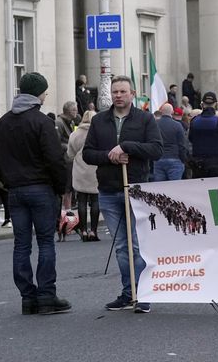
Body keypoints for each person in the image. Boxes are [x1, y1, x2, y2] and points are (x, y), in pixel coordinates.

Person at [0, 72, 71, 315]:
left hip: (15, 190)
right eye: (45, 91)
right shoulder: (42, 122)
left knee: (21, 245)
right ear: (38, 93)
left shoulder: (2, 123)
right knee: (46, 242)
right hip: (41, 188)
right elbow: (55, 160)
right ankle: (46, 295)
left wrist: (8, 182)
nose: (46, 95)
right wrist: (60, 188)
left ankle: (28, 297)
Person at [83, 75, 163, 313]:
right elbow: (88, 154)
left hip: (136, 189)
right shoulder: (99, 121)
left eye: (123, 91)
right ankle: (128, 292)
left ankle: (143, 293)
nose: (118, 95)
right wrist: (110, 155)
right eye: (115, 92)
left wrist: (127, 147)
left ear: (132, 93)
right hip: (108, 190)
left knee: (136, 245)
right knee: (121, 246)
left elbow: (156, 149)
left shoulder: (145, 118)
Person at [67, 110, 100, 241]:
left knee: (81, 200)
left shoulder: (76, 133)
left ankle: (84, 230)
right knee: (95, 200)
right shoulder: (98, 133)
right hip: (95, 168)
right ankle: (93, 231)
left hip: (80, 168)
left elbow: (70, 153)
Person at [188, 92, 218, 178]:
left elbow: (190, 138)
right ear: (216, 104)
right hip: (216, 163)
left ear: (202, 104)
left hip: (198, 163)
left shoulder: (194, 121)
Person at [154, 104, 188, 181]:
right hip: (174, 159)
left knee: (160, 189)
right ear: (172, 112)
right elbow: (182, 145)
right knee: (174, 189)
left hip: (159, 159)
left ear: (161, 112)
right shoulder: (177, 125)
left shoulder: (155, 124)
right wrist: (183, 160)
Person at [56, 101, 78, 212]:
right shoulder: (59, 123)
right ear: (68, 111)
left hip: (71, 158)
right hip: (65, 159)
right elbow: (56, 142)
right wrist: (68, 146)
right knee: (66, 187)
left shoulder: (71, 122)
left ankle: (68, 209)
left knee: (70, 186)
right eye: (74, 110)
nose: (76, 112)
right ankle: (65, 210)